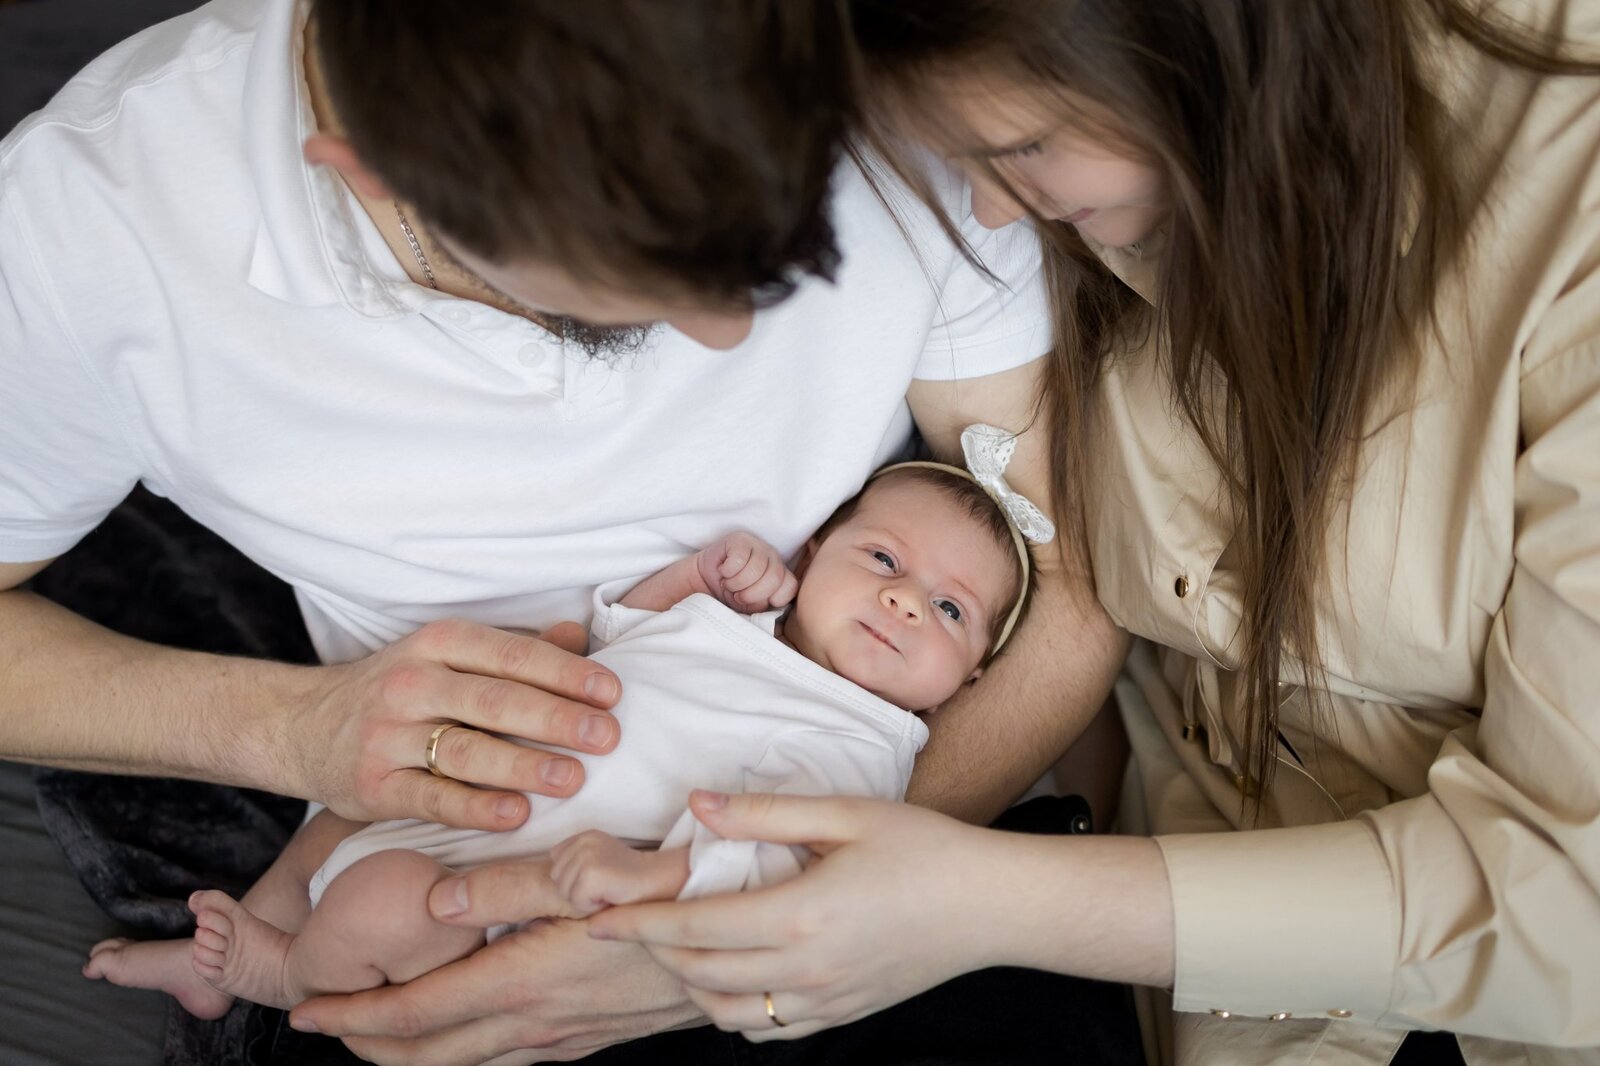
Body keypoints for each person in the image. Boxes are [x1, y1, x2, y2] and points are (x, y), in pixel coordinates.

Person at [0, 1, 1133, 1062]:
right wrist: (285, 729)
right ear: (381, 174)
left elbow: (1075, 576)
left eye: (777, 250)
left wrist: (786, 911)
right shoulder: (96, 219)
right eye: (637, 291)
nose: (732, 335)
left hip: (862, 831)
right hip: (448, 876)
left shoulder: (881, 64)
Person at [572, 1, 1600, 1065]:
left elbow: (1566, 896)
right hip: (1178, 922)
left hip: (1466, 956)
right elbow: (1055, 570)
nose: (992, 208)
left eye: (1021, 146)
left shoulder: (1567, 203)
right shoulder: (1080, 214)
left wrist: (973, 901)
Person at [81, 454, 1042, 1019]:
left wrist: (647, 881)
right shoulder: (739, 626)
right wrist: (701, 577)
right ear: (815, 550)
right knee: (347, 805)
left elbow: (774, 861)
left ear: (971, 680)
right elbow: (623, 626)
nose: (901, 603)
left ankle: (277, 973)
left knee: (378, 906)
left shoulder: (866, 741)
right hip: (473, 779)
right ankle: (224, 951)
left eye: (951, 611)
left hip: (523, 877)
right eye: (882, 558)